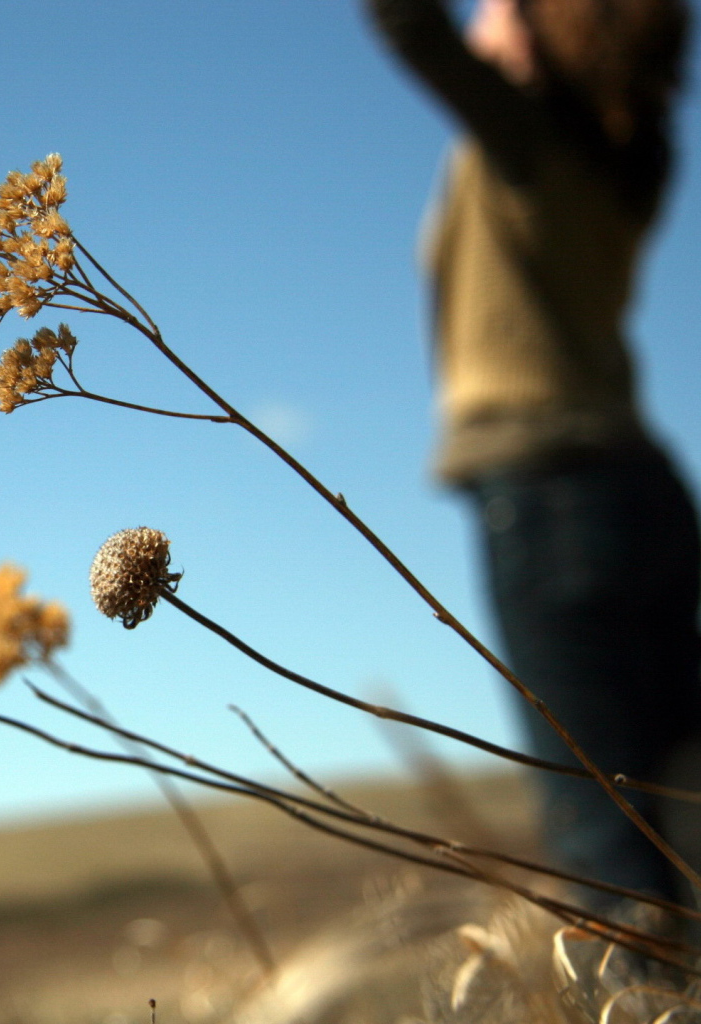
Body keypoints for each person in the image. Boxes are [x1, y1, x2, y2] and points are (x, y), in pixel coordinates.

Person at [365, 0, 699, 907]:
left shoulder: (526, 135)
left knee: (605, 830)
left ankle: (647, 980)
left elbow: (406, 24)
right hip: (646, 495)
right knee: (684, 800)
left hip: (550, 504)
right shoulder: (640, 156)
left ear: (542, 33)